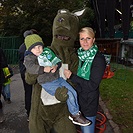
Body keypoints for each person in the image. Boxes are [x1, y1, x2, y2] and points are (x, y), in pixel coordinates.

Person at [23, 34, 92, 126]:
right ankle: (75, 115)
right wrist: (43, 69)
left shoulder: (47, 52)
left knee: (73, 92)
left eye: (39, 46)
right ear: (29, 49)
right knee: (69, 94)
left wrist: (56, 65)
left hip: (58, 79)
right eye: (34, 48)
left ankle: (74, 114)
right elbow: (30, 67)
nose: (38, 49)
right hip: (47, 83)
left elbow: (57, 60)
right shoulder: (30, 58)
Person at [64, 27, 106, 133]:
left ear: (93, 39)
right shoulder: (80, 55)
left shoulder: (98, 59)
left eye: (88, 38)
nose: (85, 42)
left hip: (88, 103)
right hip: (78, 101)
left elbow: (92, 85)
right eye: (82, 39)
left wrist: (72, 77)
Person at [18, 29, 38, 120]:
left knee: (28, 92)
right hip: (31, 72)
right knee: (35, 92)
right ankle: (33, 112)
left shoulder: (21, 46)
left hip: (23, 72)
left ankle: (29, 112)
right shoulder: (30, 46)